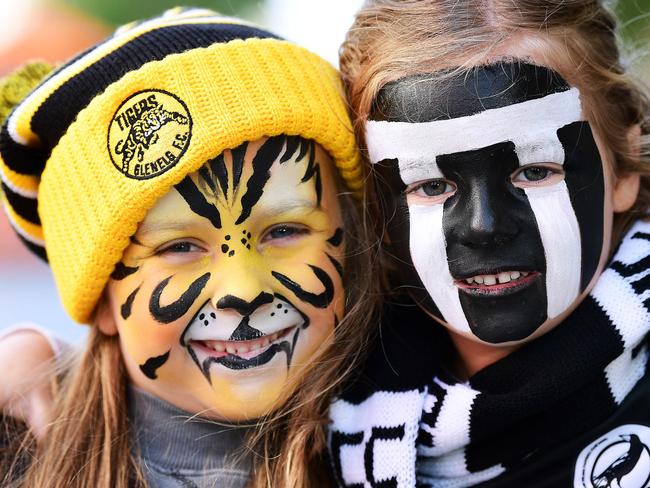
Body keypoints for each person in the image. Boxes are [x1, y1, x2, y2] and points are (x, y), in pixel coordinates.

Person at [0, 8, 380, 488]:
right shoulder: (22, 463)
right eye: (180, 246)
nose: (242, 291)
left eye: (284, 231)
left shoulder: (430, 433)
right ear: (101, 299)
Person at [328, 1, 650, 487]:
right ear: (374, 210)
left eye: (535, 171)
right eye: (430, 186)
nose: (483, 227)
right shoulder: (318, 426)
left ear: (623, 166)